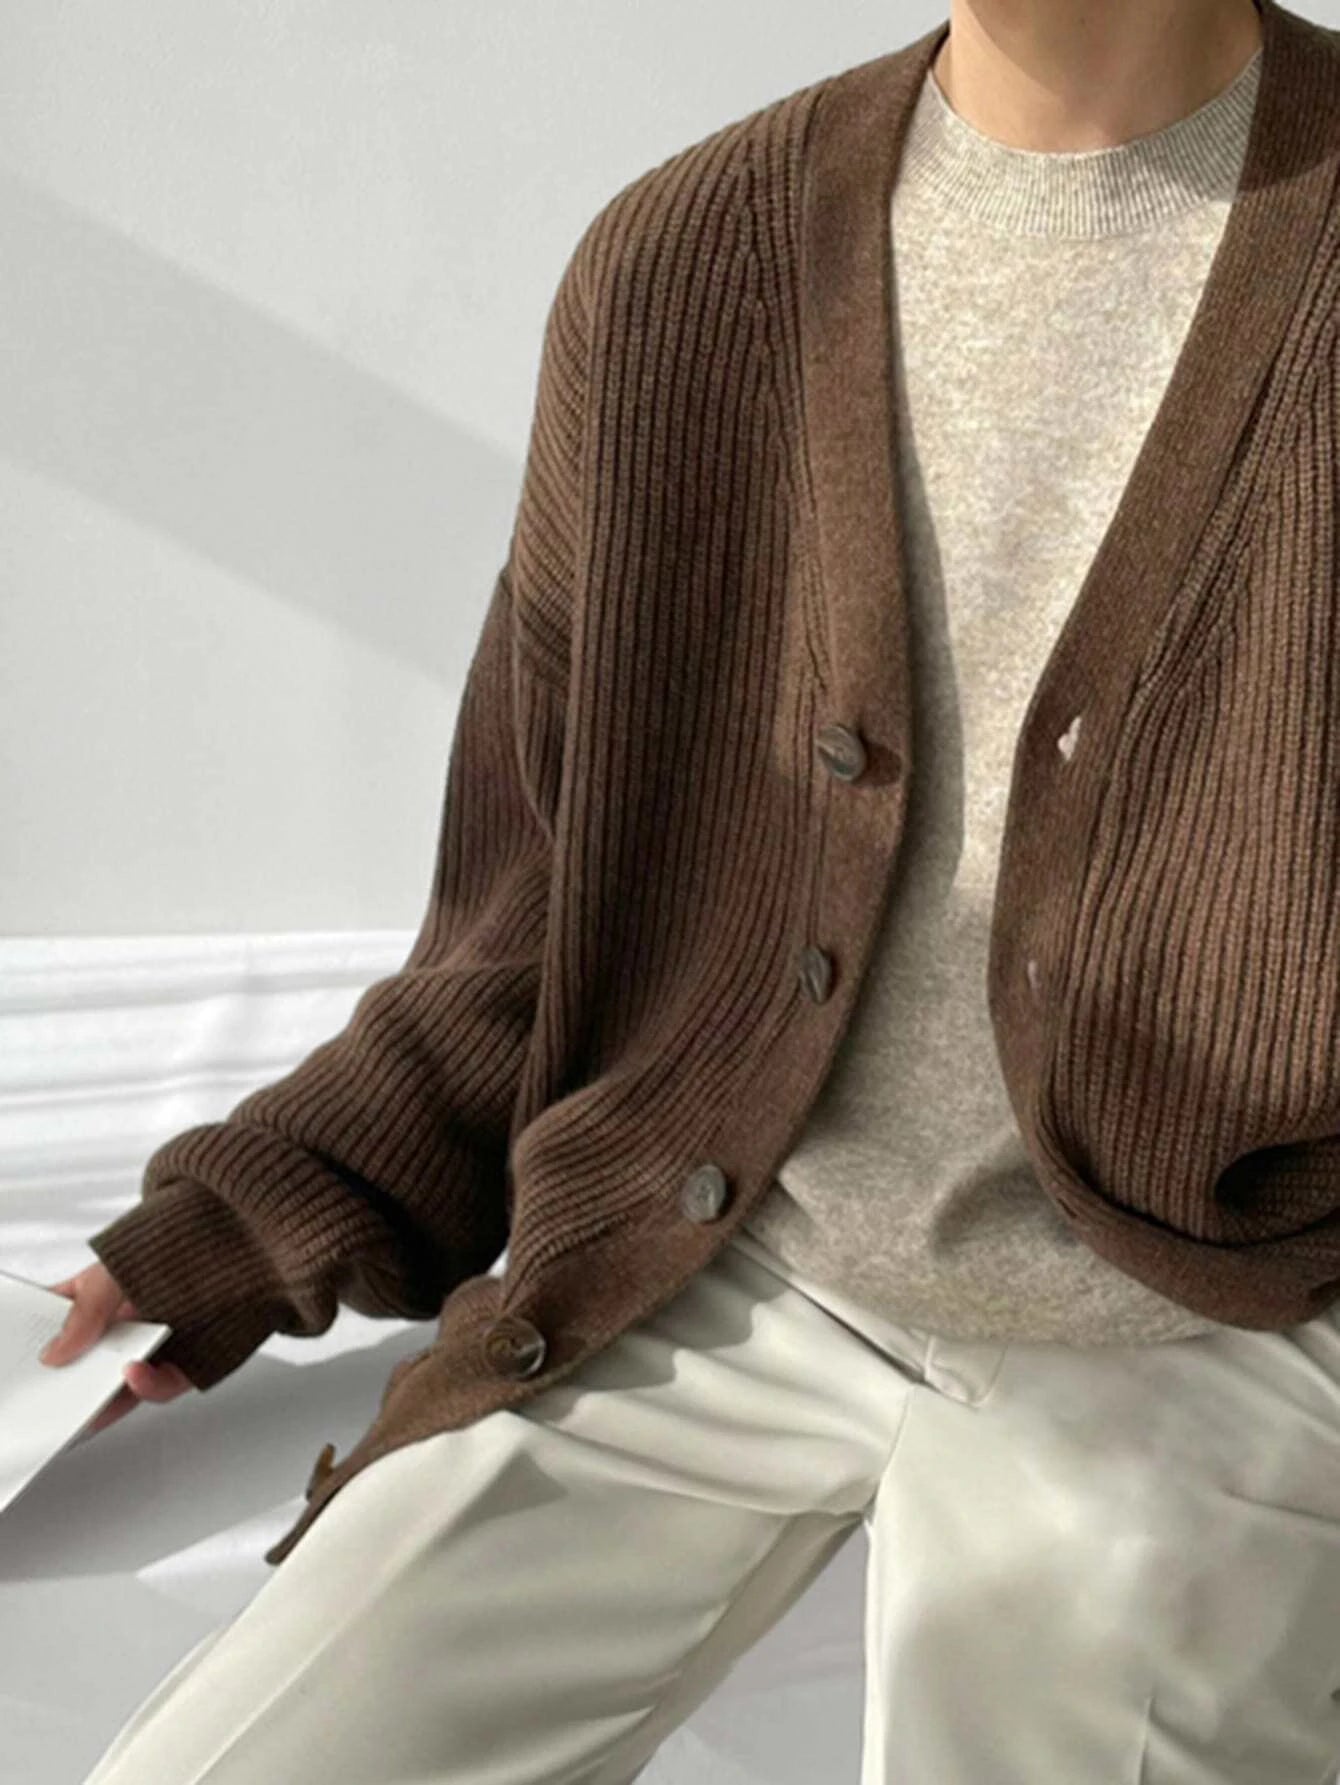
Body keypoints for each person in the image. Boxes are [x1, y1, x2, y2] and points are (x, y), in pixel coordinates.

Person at [50, 1, 1340, 1779]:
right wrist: (236, 1233)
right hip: (724, 1258)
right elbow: (534, 905)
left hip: (1218, 1307)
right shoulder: (683, 265)